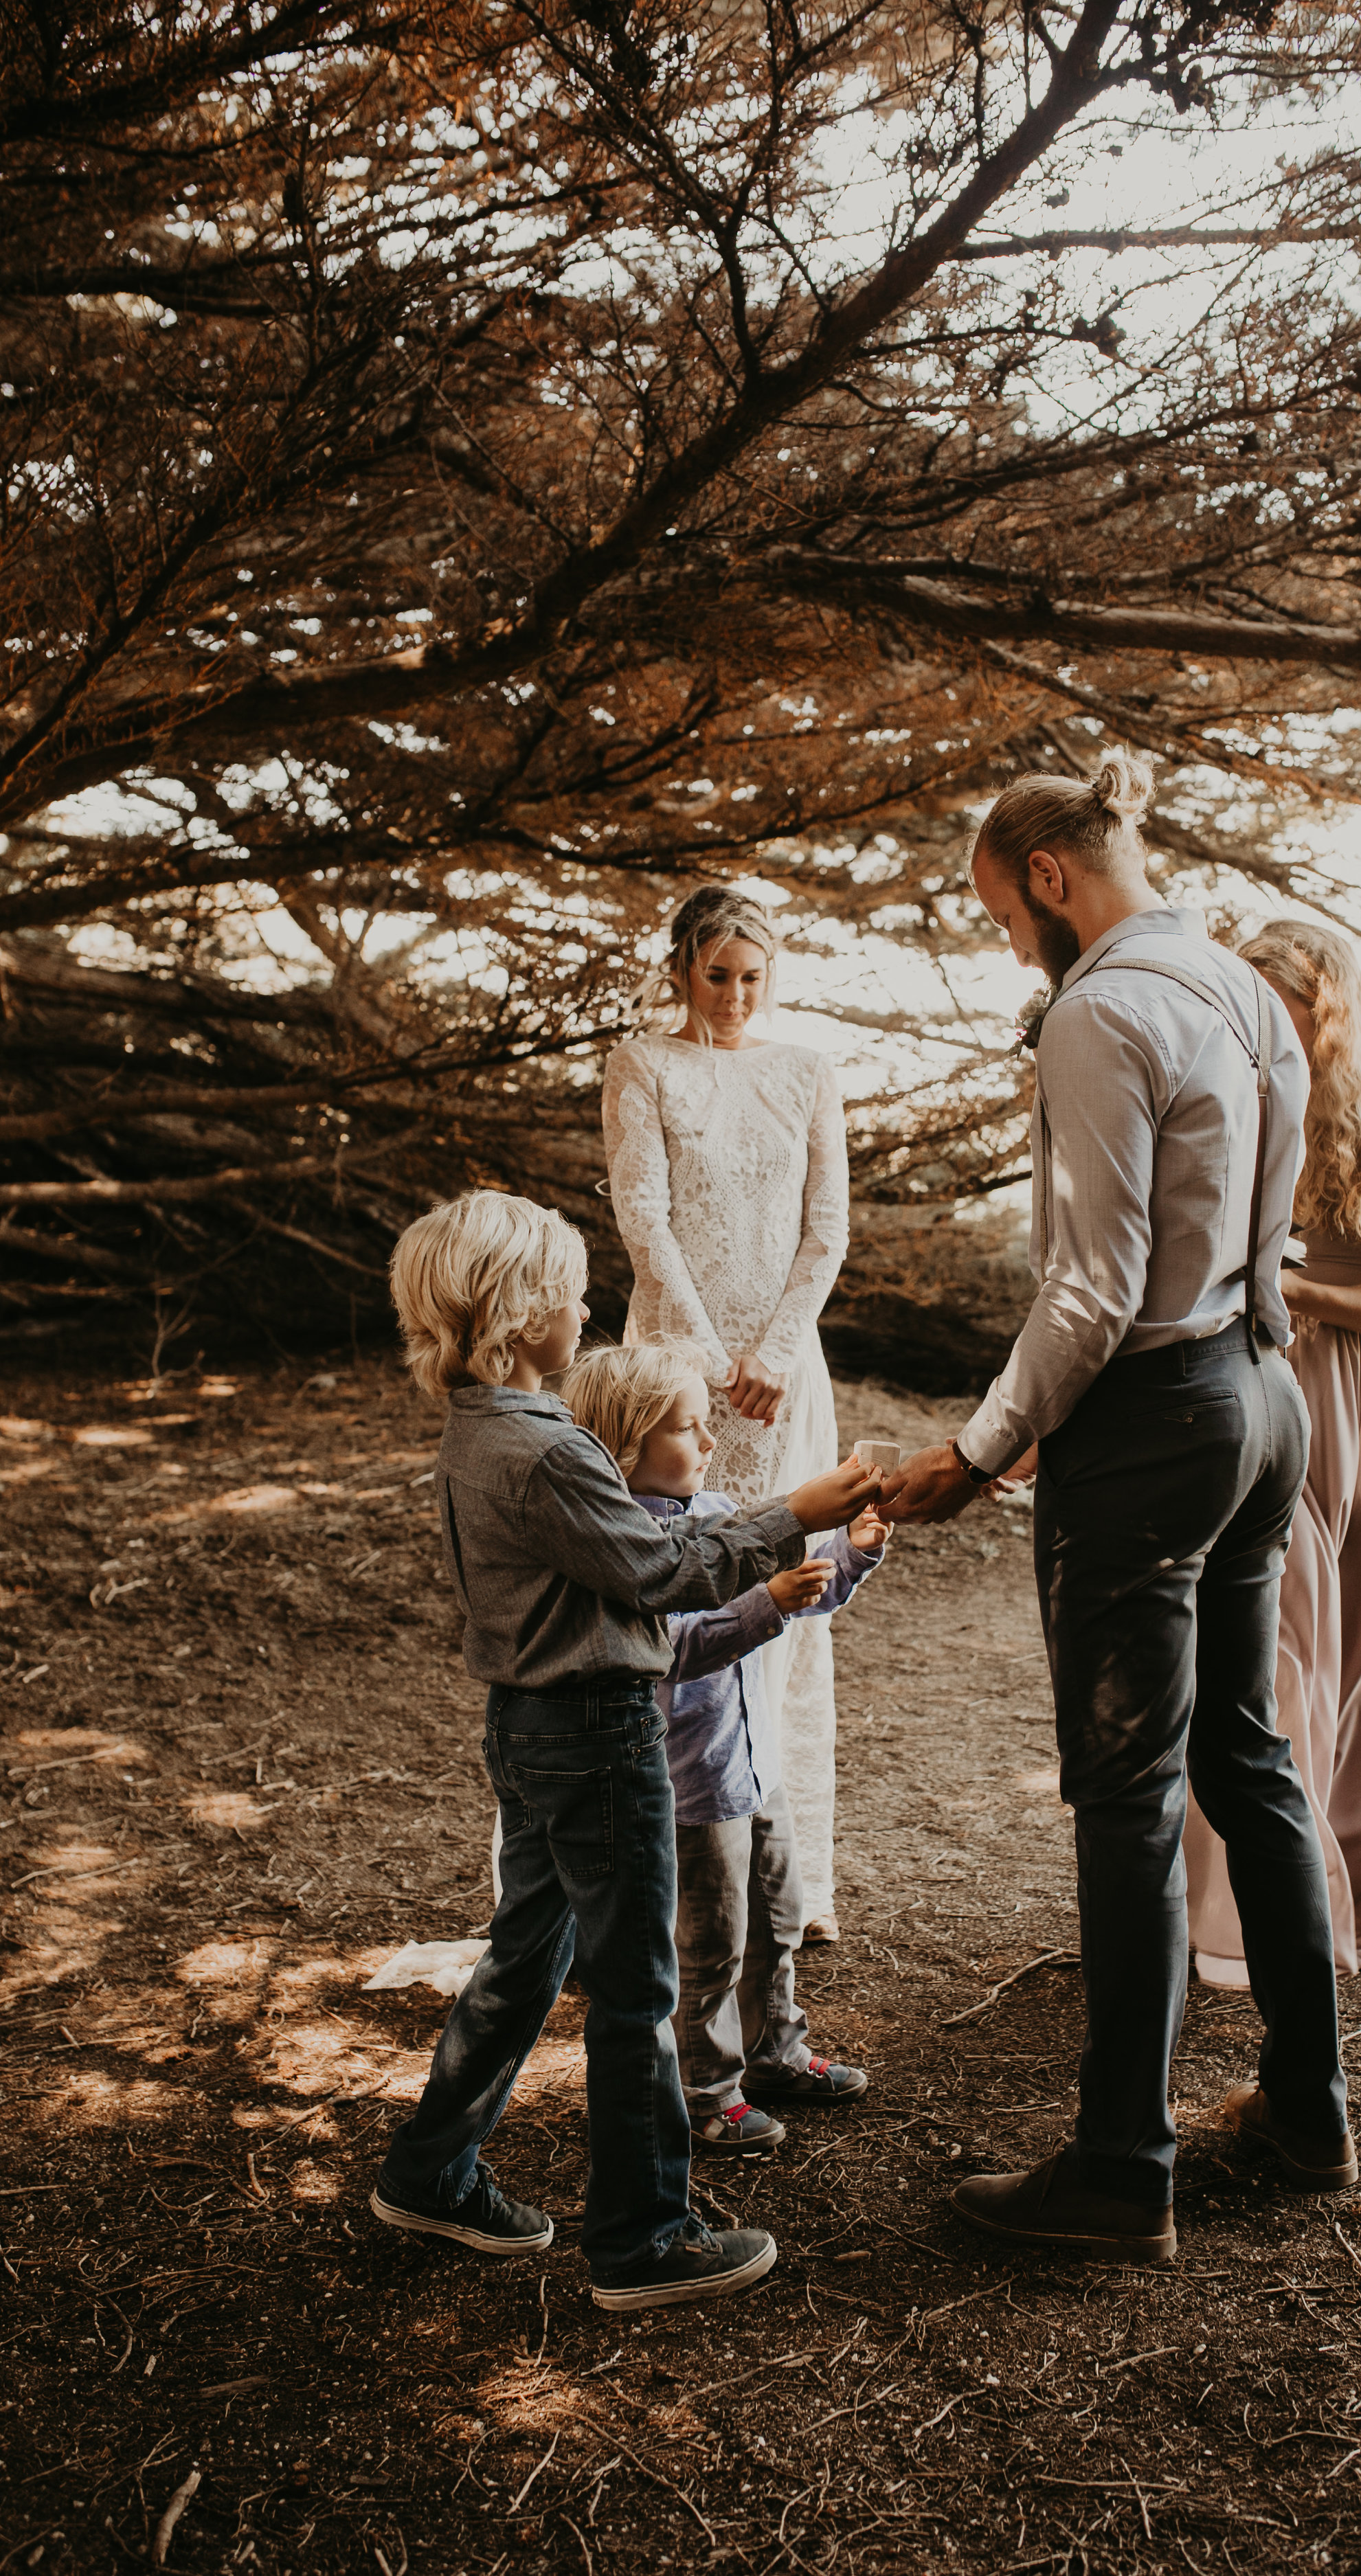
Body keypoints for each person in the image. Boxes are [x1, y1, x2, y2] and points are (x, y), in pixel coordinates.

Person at [881, 751, 1358, 2268]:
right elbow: (1259, 1237)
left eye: (998, 915)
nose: (1009, 949)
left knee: (1125, 1795)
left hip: (1151, 1431)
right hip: (1260, 1399)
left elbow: (1088, 1288)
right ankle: (1303, 2109)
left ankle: (1116, 2169)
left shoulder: (1099, 1009)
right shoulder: (1239, 987)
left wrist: (978, 1448)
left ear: (1043, 877)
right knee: (1244, 1754)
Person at [370, 1187, 878, 2311]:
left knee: (528, 1959)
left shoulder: (478, 1430)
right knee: (638, 1984)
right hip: (596, 1734)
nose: (587, 1301)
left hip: (526, 1726)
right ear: (516, 1310)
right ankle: (642, 2236)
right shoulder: (548, 1452)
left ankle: (429, 2170)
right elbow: (662, 1577)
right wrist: (797, 1509)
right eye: (567, 1288)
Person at [1182, 921, 1361, 1985]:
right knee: (1267, 1657)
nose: (1264, 1022)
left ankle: (1344, 1904)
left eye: (1284, 1004)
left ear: (1329, 1009)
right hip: (1233, 1391)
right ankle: (1238, 1920)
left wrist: (1297, 1288)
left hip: (1329, 1403)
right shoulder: (1221, 1097)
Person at [603, 884, 851, 1943]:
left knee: (783, 1588)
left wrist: (779, 1352)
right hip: (675, 1356)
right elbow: (643, 1216)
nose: (737, 996)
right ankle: (655, 1877)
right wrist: (708, 1360)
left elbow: (827, 1226)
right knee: (669, 1587)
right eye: (717, 975)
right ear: (680, 971)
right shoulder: (644, 1064)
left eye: (754, 977)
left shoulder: (807, 1072)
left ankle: (780, 1882)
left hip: (786, 1368)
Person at [566, 1341, 881, 2156]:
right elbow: (671, 1649)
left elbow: (805, 1593)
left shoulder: (717, 1514)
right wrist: (765, 1605)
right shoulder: (621, 1548)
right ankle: (706, 2092)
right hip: (689, 1783)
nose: (709, 1443)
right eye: (688, 1428)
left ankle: (776, 2052)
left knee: (776, 1922)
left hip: (752, 1762)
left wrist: (855, 1550)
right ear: (623, 1445)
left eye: (707, 1425)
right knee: (709, 1945)